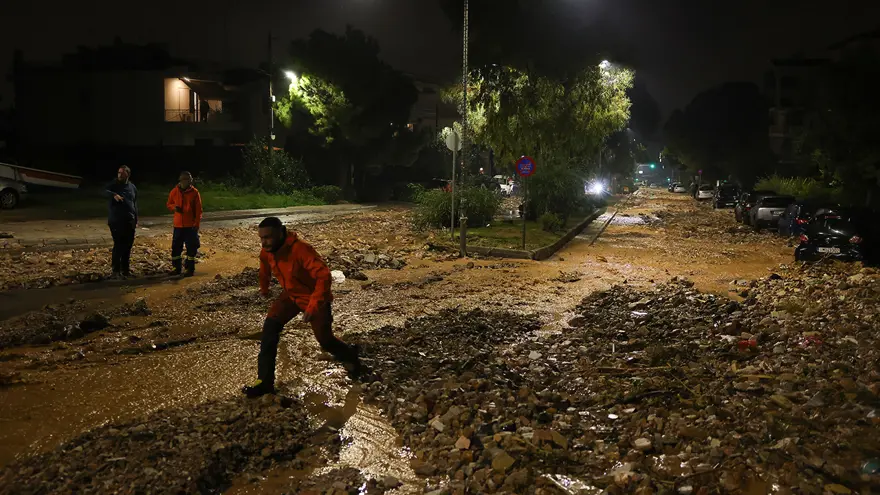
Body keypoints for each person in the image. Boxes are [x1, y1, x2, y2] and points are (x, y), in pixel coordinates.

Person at [242, 217, 360, 398]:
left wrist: (312, 306)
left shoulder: (301, 249)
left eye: (268, 237)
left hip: (315, 298)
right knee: (269, 330)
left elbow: (324, 276)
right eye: (261, 238)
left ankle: (351, 358)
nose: (264, 242)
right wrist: (264, 288)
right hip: (291, 296)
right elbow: (264, 268)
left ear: (281, 233)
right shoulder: (267, 251)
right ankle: (264, 382)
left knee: (325, 340)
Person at [165, 171, 203, 276]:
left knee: (191, 249)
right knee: (176, 247)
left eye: (190, 179)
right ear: (181, 180)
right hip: (178, 225)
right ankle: (176, 268)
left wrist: (196, 224)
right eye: (187, 179)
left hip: (190, 226)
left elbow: (199, 210)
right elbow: (169, 204)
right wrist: (174, 208)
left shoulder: (195, 193)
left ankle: (189, 269)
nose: (189, 181)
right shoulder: (174, 191)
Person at [105, 165, 138, 279]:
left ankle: (125, 270)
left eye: (122, 173)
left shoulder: (132, 187)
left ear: (127, 175)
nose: (119, 175)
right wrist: (114, 195)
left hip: (130, 221)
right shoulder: (113, 185)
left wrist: (136, 220)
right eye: (118, 173)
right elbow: (102, 191)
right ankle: (115, 271)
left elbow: (134, 204)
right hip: (116, 221)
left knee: (128, 246)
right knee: (119, 245)